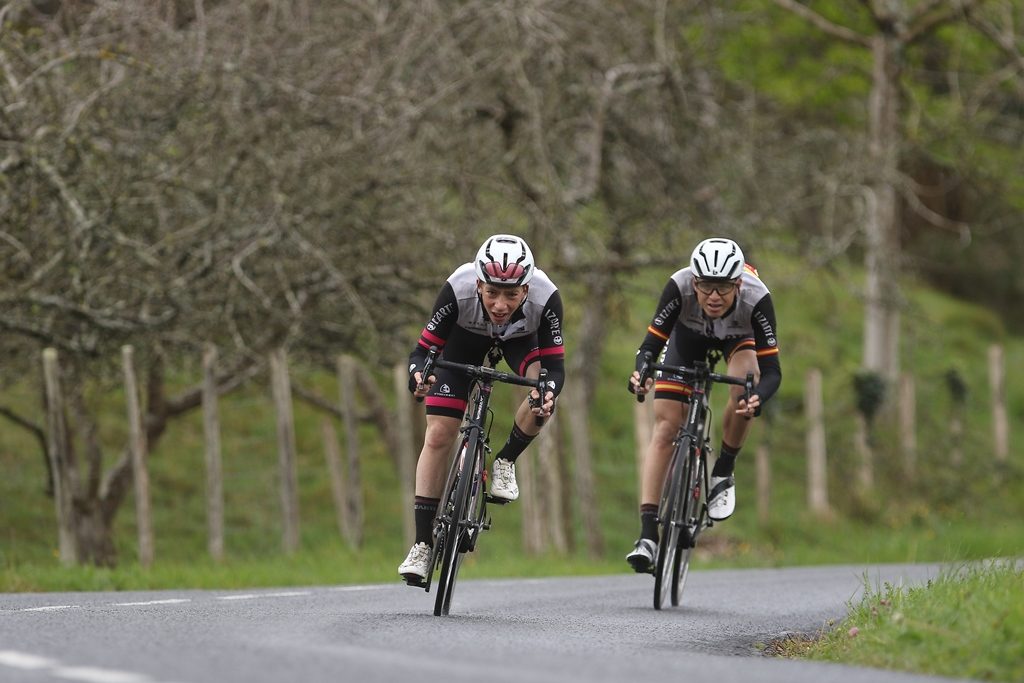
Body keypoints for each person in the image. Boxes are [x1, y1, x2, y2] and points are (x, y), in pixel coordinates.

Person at [398, 234, 565, 585]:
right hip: (464, 342)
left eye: (511, 294)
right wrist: (419, 376)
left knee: (542, 392)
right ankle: (422, 544)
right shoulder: (457, 288)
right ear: (477, 283)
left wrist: (547, 392)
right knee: (439, 432)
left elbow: (555, 367)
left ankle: (505, 460)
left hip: (522, 343)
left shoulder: (547, 296)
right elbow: (421, 352)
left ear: (527, 288)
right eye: (491, 292)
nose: (501, 305)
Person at [625, 237, 781, 573]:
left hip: (738, 341)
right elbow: (650, 346)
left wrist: (758, 396)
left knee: (744, 386)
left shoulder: (757, 298)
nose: (713, 296)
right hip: (687, 340)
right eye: (706, 287)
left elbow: (772, 372)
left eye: (723, 289)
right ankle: (648, 533)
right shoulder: (678, 286)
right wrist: (641, 373)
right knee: (666, 427)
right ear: (694, 281)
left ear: (738, 283)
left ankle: (723, 469)